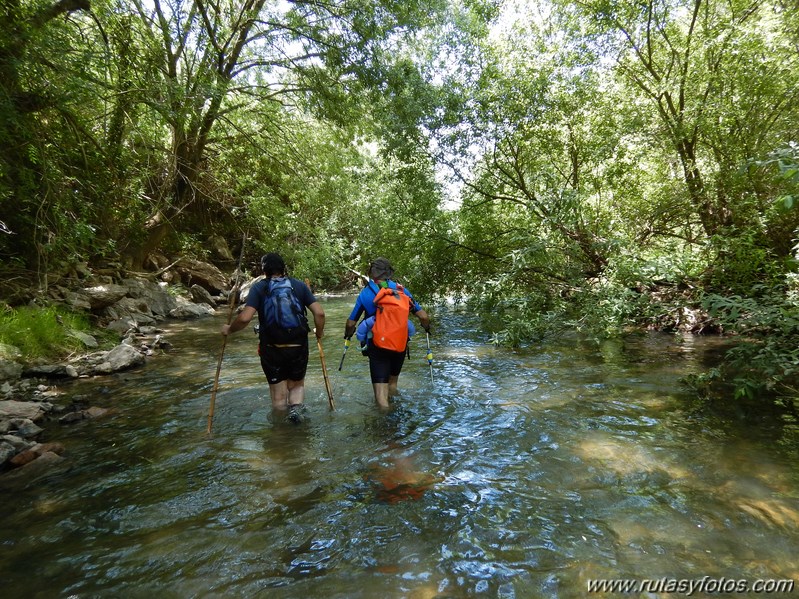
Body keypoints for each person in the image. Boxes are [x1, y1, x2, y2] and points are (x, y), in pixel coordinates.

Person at [222, 253, 325, 421]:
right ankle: (296, 416)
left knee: (279, 397)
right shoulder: (298, 286)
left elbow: (244, 318)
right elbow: (319, 314)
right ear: (284, 268)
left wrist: (229, 329)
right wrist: (319, 333)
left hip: (271, 348)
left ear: (264, 271)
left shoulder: (259, 288)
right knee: (296, 386)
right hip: (297, 346)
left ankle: (279, 434)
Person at [344, 257, 430, 408]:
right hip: (400, 344)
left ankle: (384, 424)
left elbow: (351, 322)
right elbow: (423, 316)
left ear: (372, 273)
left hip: (378, 346)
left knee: (380, 395)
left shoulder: (365, 294)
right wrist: (427, 328)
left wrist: (348, 334)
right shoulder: (401, 290)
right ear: (389, 272)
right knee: (392, 385)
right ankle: (396, 420)